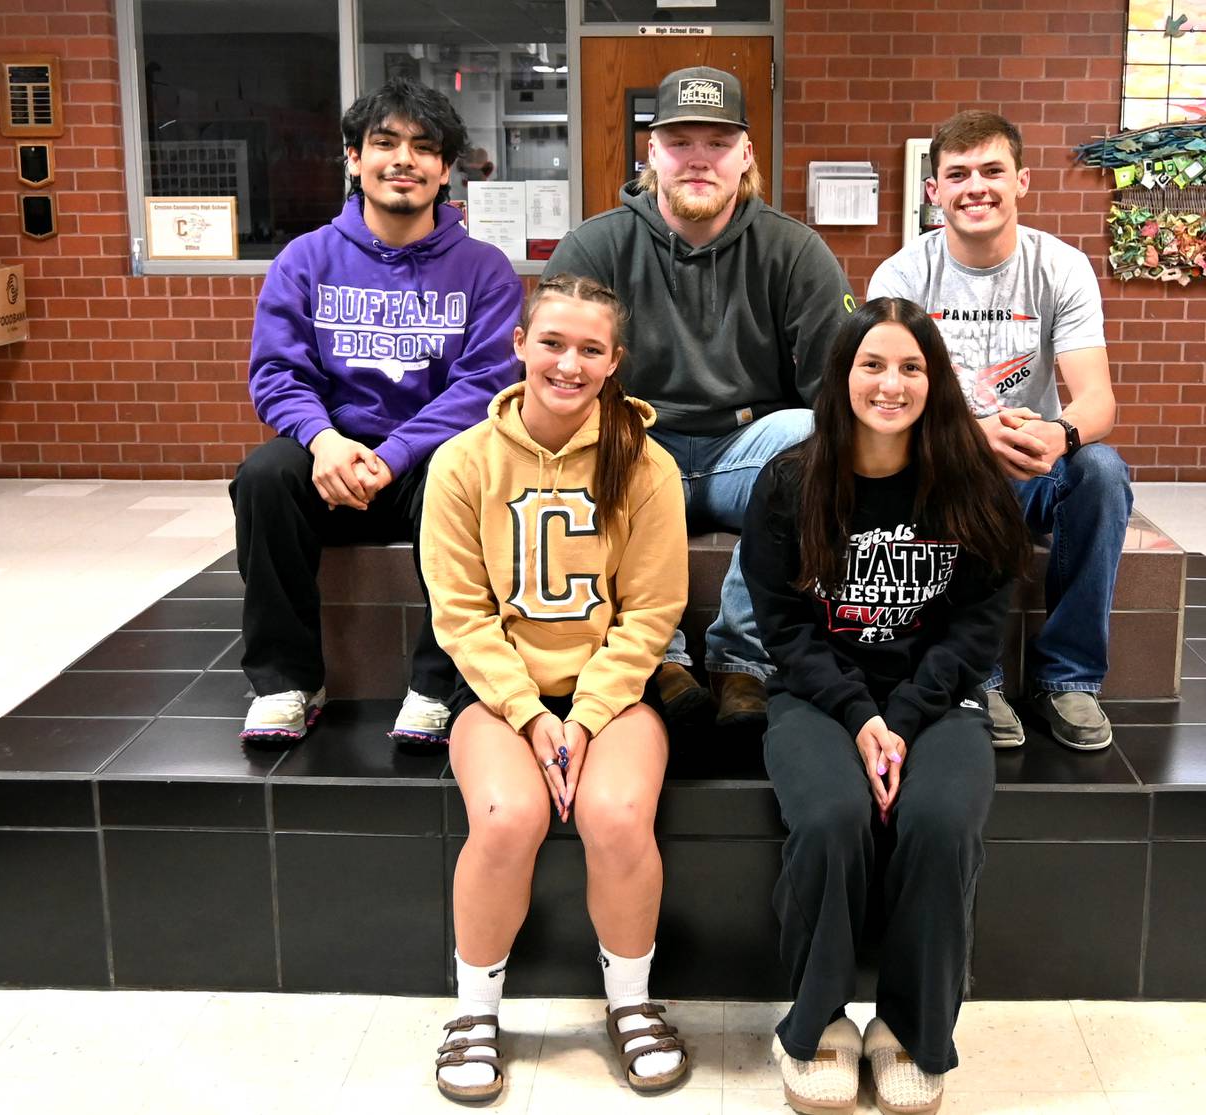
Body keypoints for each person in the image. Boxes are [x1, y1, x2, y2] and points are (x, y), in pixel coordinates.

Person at [741, 297, 1028, 1115]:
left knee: (940, 821)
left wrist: (899, 719)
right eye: (872, 364)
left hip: (936, 702)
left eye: (911, 366)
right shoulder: (789, 482)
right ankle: (819, 1024)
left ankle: (910, 1030)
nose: (891, 384)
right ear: (843, 374)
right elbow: (786, 630)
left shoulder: (974, 484)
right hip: (817, 697)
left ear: (936, 381)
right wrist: (857, 715)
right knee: (832, 817)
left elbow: (977, 631)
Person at [420, 275, 690, 1103]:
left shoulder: (646, 466)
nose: (569, 363)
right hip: (501, 695)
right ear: (519, 346)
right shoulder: (462, 462)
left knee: (617, 813)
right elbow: (461, 614)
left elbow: (651, 611)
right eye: (552, 343)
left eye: (590, 349)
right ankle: (474, 1014)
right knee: (507, 817)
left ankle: (632, 1003)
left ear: (614, 362)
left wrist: (589, 715)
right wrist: (532, 715)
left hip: (614, 693)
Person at [544, 65, 854, 728]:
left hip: (745, 452)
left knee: (816, 436)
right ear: (652, 153)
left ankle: (741, 662)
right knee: (588, 435)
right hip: (635, 449)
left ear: (746, 155)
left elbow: (834, 391)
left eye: (717, 142)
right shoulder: (595, 247)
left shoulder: (796, 252)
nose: (698, 159)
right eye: (680, 141)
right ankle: (659, 659)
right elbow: (559, 379)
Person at [230, 78, 522, 748]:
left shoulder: (485, 269)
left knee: (473, 476)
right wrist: (323, 440)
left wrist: (393, 456)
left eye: (424, 147)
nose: (404, 159)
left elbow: (484, 385)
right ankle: (285, 681)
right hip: (331, 455)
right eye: (385, 142)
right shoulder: (305, 259)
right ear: (354, 158)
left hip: (428, 461)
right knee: (264, 477)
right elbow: (277, 372)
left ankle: (437, 684)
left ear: (445, 169)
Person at [868, 110, 1132, 752]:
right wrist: (970, 436)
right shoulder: (902, 276)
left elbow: (1097, 400)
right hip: (942, 466)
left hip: (1033, 460)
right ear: (934, 190)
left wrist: (1059, 436)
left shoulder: (1061, 268)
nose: (976, 187)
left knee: (1102, 472)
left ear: (1022, 181)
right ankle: (975, 678)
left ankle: (1068, 679)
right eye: (958, 174)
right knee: (953, 472)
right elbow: (885, 398)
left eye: (992, 171)